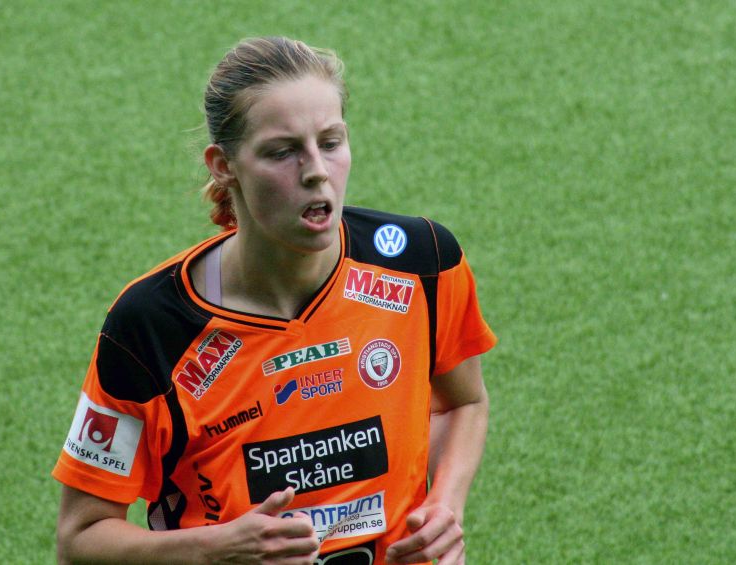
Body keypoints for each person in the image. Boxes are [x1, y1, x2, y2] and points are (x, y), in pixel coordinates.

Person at [53, 36, 496, 565]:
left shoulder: (419, 263)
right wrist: (215, 551)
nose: (316, 171)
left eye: (330, 142)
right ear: (223, 165)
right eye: (282, 152)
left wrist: (445, 505)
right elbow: (80, 539)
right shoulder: (149, 326)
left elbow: (463, 403)